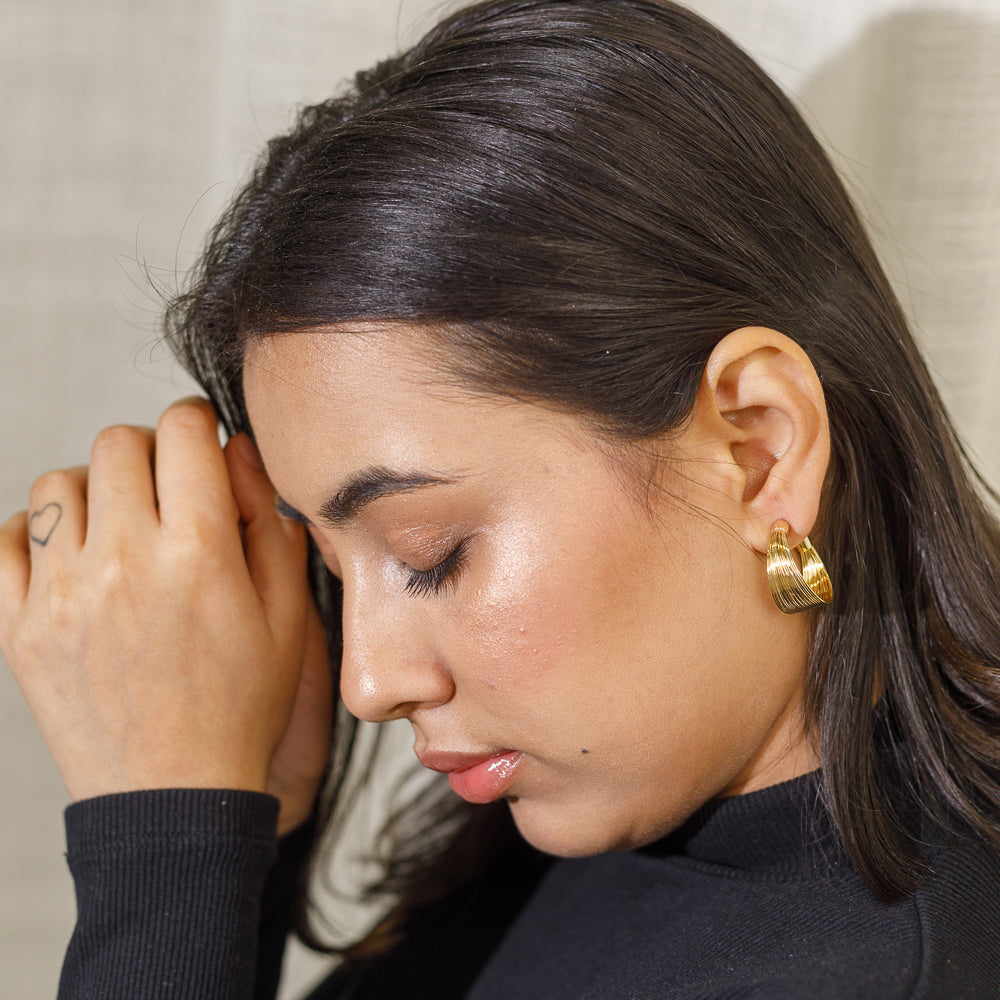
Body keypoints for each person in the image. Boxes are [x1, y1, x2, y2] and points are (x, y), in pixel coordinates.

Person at [2, 0, 1000, 996]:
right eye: (329, 567)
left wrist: (163, 842)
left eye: (428, 550)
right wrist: (246, 827)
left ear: (756, 448)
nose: (370, 683)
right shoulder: (592, 824)